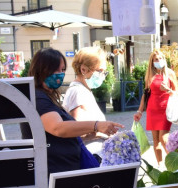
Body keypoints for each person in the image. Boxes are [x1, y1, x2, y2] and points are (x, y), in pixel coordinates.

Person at [28, 47, 123, 179]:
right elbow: (57, 128)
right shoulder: (39, 98)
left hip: (64, 169)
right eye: (56, 69)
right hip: (54, 172)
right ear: (43, 69)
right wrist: (97, 126)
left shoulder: (47, 97)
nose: (60, 74)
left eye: (62, 70)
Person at [133, 49, 178, 166]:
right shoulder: (150, 75)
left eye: (161, 58)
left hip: (165, 110)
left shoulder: (170, 73)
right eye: (156, 59)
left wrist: (168, 90)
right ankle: (160, 166)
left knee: (164, 139)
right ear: (152, 62)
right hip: (152, 110)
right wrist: (139, 111)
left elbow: (176, 93)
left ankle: (175, 164)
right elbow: (146, 94)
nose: (159, 61)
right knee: (156, 141)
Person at [62, 46, 108, 159]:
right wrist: (103, 133)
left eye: (104, 72)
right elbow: (76, 130)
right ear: (83, 69)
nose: (102, 76)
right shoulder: (77, 92)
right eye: (99, 71)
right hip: (88, 156)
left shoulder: (84, 90)